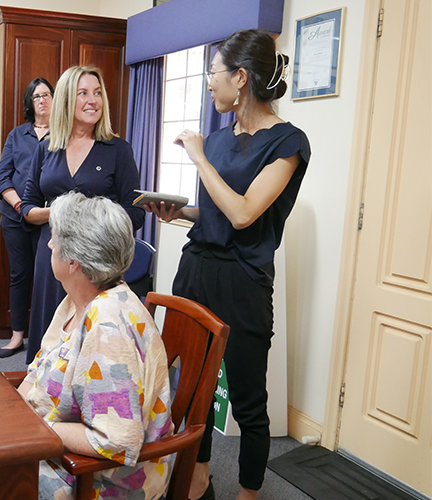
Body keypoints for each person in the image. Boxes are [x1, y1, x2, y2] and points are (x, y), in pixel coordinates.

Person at [146, 30, 311, 500]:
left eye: (213, 73)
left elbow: (243, 213)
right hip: (197, 268)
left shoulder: (287, 142)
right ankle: (199, 480)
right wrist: (179, 212)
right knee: (191, 389)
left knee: (247, 400)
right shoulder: (218, 140)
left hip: (243, 280)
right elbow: (217, 210)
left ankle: (249, 493)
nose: (208, 83)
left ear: (241, 78)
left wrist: (197, 159)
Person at [19, 192, 172, 500]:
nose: (49, 244)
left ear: (73, 260)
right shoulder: (77, 299)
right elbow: (39, 370)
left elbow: (118, 441)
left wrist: (34, 427)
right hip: (57, 445)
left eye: (55, 238)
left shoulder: (108, 326)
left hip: (97, 479)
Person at [21, 65, 144, 364]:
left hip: (96, 264)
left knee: (92, 353)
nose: (93, 100)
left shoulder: (117, 149)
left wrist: (89, 221)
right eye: (83, 93)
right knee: (49, 344)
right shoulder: (47, 147)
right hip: (52, 253)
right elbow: (27, 206)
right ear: (66, 99)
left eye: (98, 93)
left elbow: (135, 213)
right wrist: (56, 214)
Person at [0, 77, 54, 358]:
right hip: (16, 217)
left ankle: (46, 338)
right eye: (36, 97)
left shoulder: (65, 136)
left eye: (47, 95)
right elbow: (2, 178)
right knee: (20, 276)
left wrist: (40, 213)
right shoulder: (17, 136)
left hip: (50, 221)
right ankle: (17, 336)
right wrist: (22, 208)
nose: (42, 101)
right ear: (30, 103)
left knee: (48, 277)